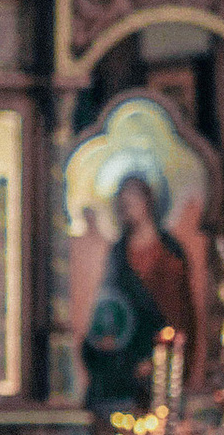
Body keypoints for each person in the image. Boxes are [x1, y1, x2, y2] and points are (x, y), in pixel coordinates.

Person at [82, 160, 196, 416]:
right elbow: (110, 309)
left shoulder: (169, 253)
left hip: (160, 360)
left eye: (132, 201)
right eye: (122, 203)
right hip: (124, 361)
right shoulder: (118, 253)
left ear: (148, 203)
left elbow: (180, 314)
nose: (127, 208)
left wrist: (156, 360)